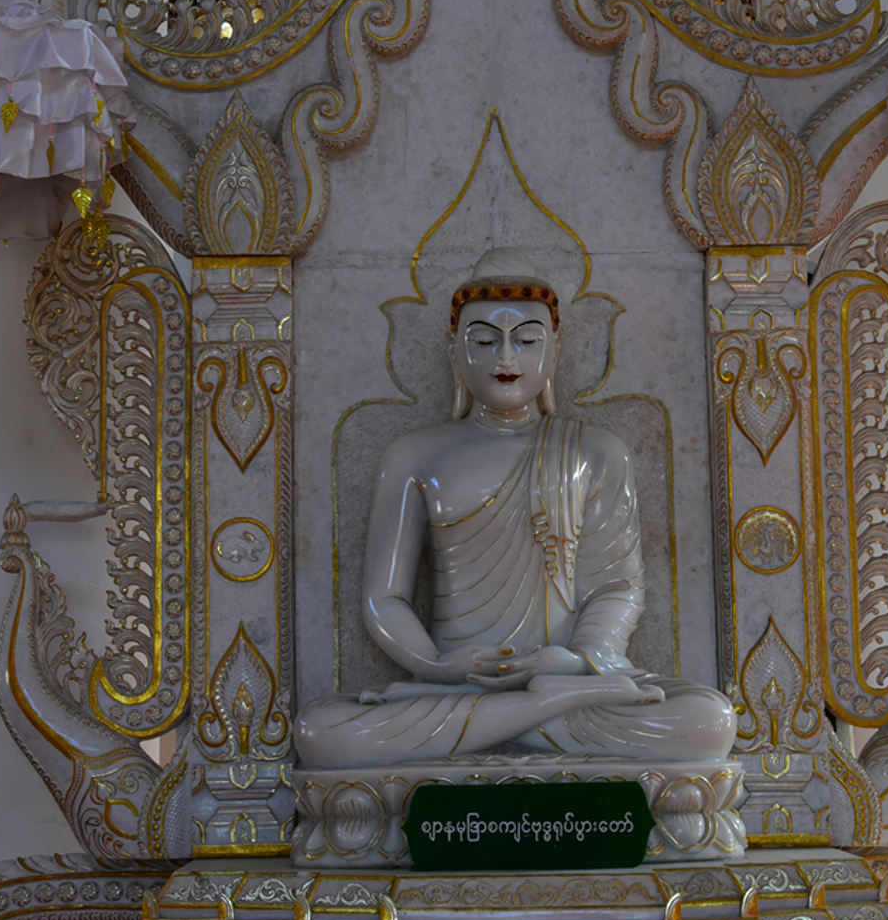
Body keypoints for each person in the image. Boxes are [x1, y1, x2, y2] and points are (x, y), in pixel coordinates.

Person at [295, 248, 736, 768]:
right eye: (484, 341)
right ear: (454, 351)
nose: (506, 358)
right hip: (455, 689)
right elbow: (384, 598)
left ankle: (531, 710)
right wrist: (436, 666)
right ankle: (540, 714)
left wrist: (574, 662)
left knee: (708, 721)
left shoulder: (594, 452)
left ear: (554, 351)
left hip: (560, 675)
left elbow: (615, 586)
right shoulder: (414, 456)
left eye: (526, 340)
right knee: (319, 731)